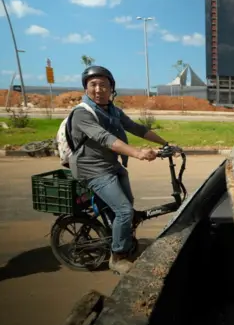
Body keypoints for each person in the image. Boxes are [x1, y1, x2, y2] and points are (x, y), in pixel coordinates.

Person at [69, 65, 171, 274]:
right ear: (86, 88)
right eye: (93, 85)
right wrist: (137, 153)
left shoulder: (112, 110)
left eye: (103, 85)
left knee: (129, 208)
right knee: (124, 210)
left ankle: (123, 239)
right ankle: (117, 257)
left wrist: (166, 143)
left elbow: (136, 128)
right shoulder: (82, 113)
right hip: (92, 170)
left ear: (111, 88)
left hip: (111, 165)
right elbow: (105, 138)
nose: (98, 90)